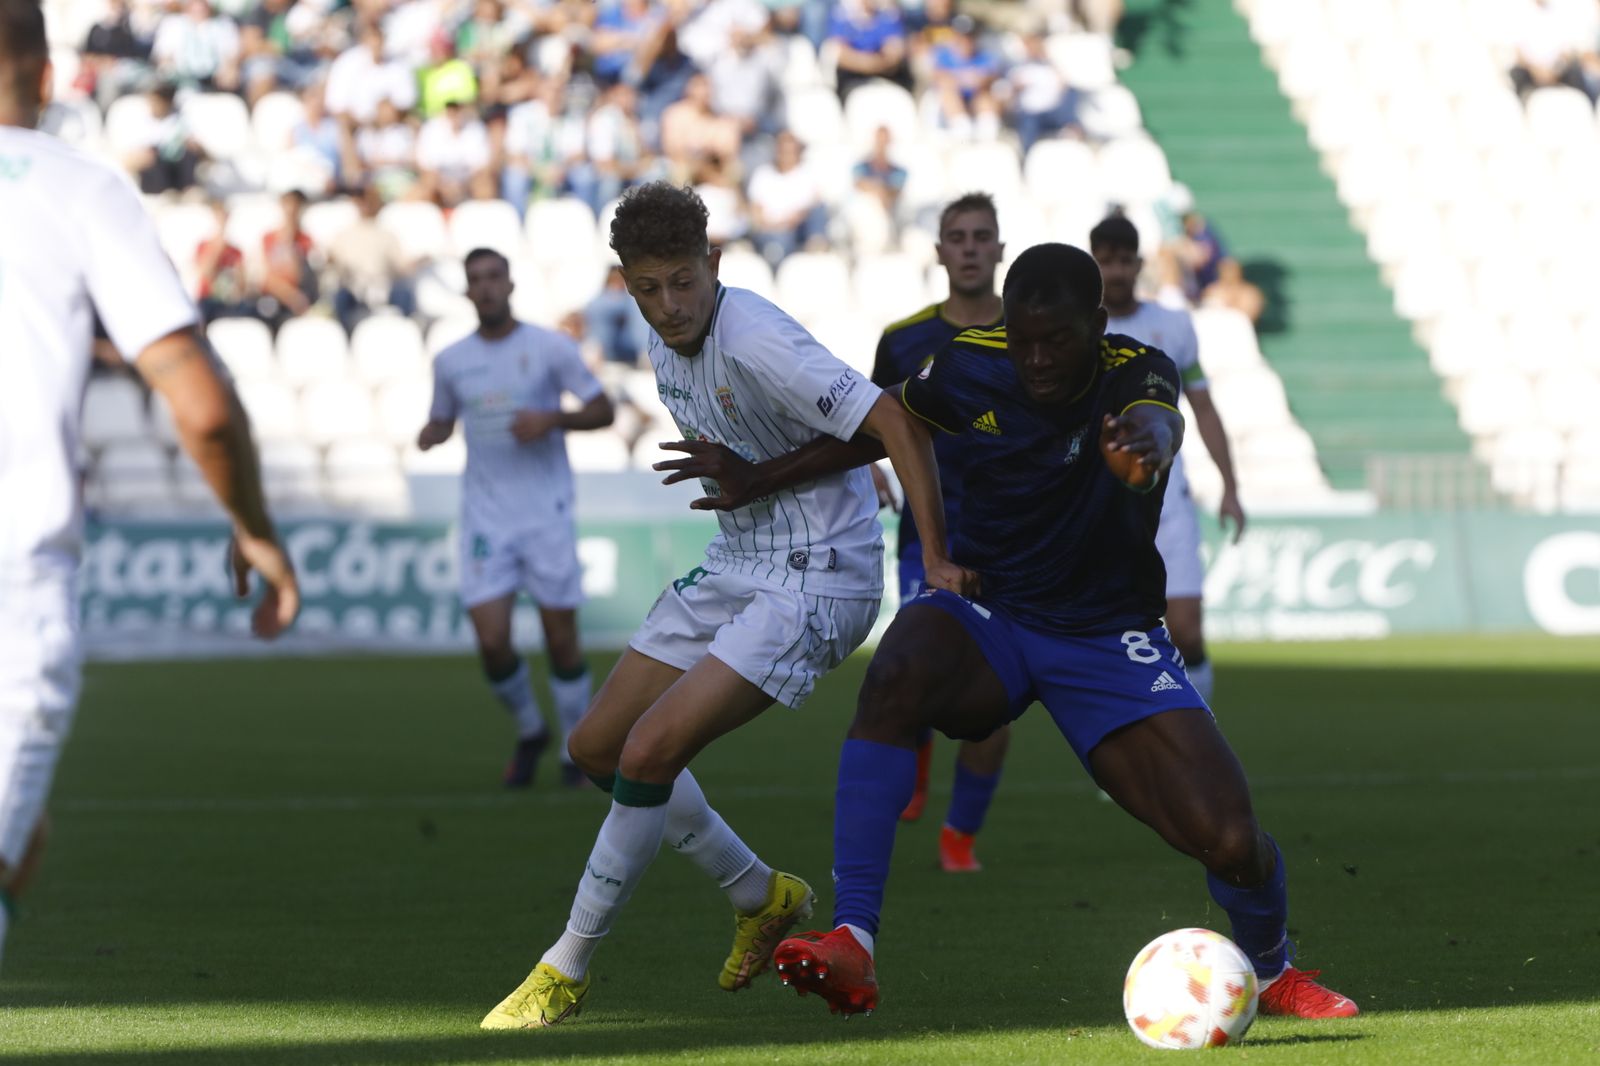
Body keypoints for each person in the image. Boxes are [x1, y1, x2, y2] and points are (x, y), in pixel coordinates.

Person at [660, 242, 1357, 1022]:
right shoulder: (971, 361)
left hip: (1106, 637)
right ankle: (853, 937)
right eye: (1024, 340)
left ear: (1097, 324)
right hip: (991, 612)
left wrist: (1143, 451)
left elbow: (1159, 424)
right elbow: (884, 423)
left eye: (1057, 340)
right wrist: (760, 475)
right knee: (896, 672)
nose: (1038, 360)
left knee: (1229, 840)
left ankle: (1272, 971)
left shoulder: (1139, 369)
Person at [477, 181, 969, 1029]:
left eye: (683, 281)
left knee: (648, 752)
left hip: (820, 573)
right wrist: (776, 477)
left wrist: (935, 556)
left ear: (713, 262)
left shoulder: (754, 335)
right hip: (742, 559)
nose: (670, 304)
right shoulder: (662, 339)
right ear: (625, 284)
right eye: (648, 288)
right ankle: (759, 894)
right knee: (596, 747)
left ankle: (567, 967)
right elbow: (827, 439)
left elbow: (895, 419)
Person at [0, 0, 298, 974]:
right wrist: (255, 528)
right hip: (15, 578)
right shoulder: (75, 189)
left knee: (21, 846)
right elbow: (201, 406)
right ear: (50, 77)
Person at [417, 249, 616, 790]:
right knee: (491, 640)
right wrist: (433, 432)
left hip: (546, 514)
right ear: (467, 291)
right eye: (475, 280)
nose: (485, 287)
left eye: (493, 277)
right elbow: (442, 418)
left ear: (510, 285)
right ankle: (531, 729)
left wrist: (553, 419)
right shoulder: (451, 360)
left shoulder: (550, 348)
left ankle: (575, 749)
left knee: (561, 639)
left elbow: (603, 409)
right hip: (485, 519)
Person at [868, 192, 1009, 873]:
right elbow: (870, 418)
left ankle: (961, 836)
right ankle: (916, 759)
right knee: (918, 664)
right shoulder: (903, 339)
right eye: (959, 236)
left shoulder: (1035, 334)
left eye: (982, 236)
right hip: (927, 538)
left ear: (1000, 249)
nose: (971, 247)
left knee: (994, 702)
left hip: (1016, 543)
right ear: (940, 251)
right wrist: (870, 466)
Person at [1091, 214, 1245, 705]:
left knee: (1187, 633)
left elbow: (1203, 407)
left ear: (1139, 264)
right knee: (1109, 638)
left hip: (1167, 499)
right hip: (1098, 500)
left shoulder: (1174, 326)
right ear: (1093, 264)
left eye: (1124, 261)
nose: (1116, 271)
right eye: (1106, 261)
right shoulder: (1078, 332)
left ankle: (1201, 731)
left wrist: (1230, 487)